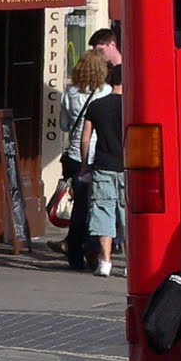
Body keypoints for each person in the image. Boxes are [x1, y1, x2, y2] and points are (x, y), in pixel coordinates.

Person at [53, 49, 111, 269]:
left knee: (79, 207)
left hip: (77, 155)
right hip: (100, 153)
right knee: (99, 204)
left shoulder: (70, 92)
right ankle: (94, 246)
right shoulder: (105, 91)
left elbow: (64, 125)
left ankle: (74, 253)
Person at [80, 73, 125, 278]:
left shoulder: (97, 106)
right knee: (127, 214)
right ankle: (129, 264)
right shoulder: (133, 105)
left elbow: (86, 138)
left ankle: (105, 260)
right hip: (128, 166)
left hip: (103, 164)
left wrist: (84, 165)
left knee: (103, 210)